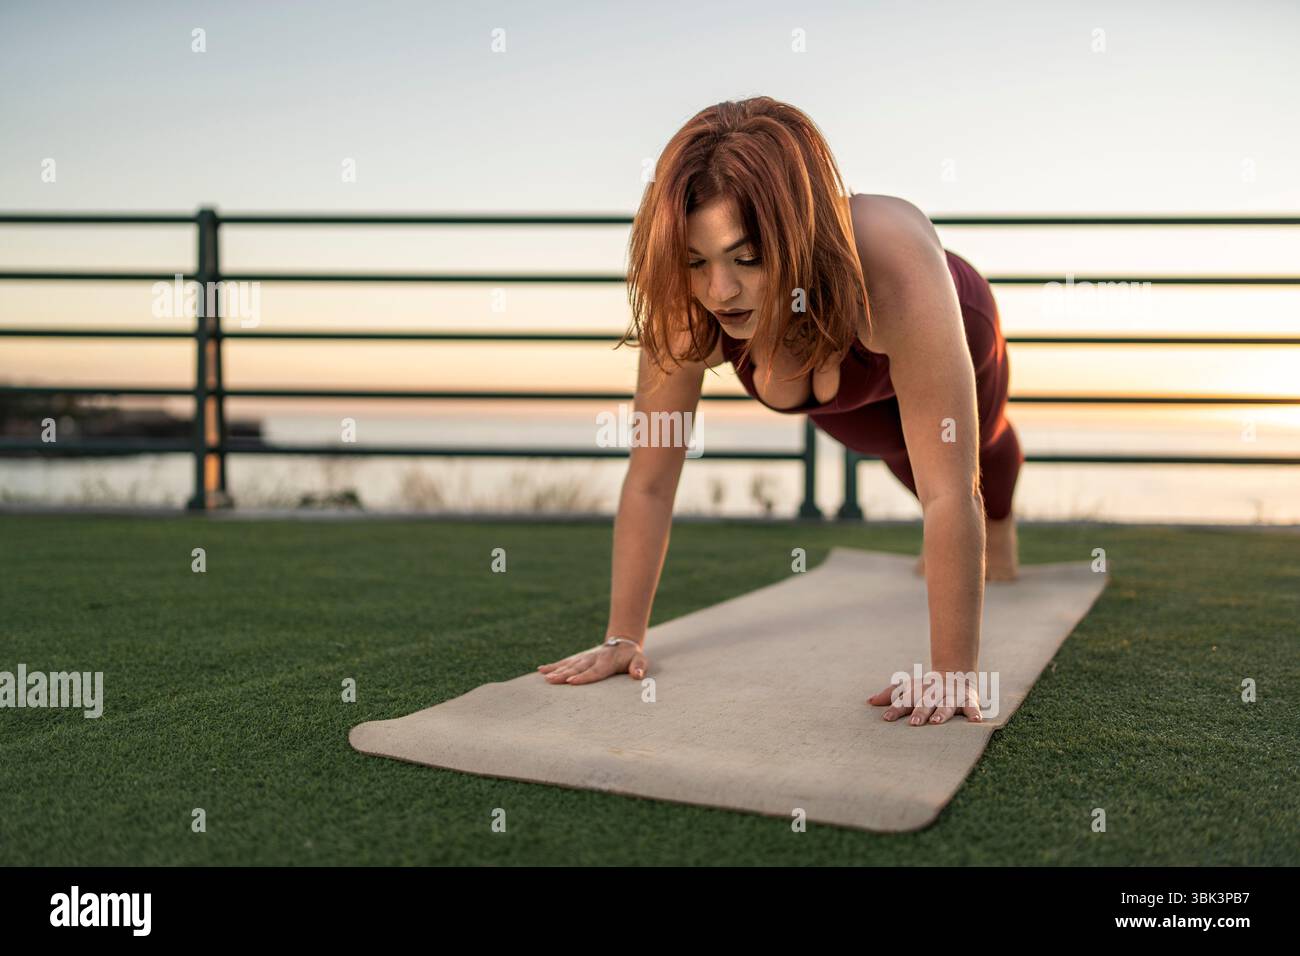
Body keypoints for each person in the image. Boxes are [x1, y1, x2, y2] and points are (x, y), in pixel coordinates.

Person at [538, 97, 1024, 727]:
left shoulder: (890, 266)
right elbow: (652, 480)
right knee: (893, 451)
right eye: (696, 261)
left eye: (747, 259)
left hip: (947, 317)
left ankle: (1006, 542)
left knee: (976, 453)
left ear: (799, 237)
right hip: (825, 374)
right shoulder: (688, 307)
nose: (720, 290)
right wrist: (621, 637)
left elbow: (951, 493)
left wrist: (952, 672)